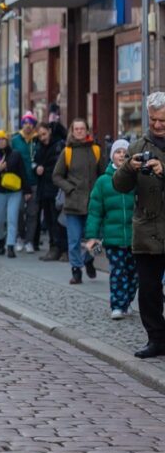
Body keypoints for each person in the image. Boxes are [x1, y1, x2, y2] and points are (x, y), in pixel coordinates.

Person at [112, 92, 165, 358]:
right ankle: (156, 339)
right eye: (154, 120)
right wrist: (128, 168)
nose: (157, 125)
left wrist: (162, 170)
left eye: (163, 121)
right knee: (149, 291)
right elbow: (119, 186)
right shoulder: (138, 146)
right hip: (147, 230)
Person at [84, 139, 136, 320]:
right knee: (118, 272)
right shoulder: (103, 182)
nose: (122, 154)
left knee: (134, 275)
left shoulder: (136, 177)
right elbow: (95, 211)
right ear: (112, 155)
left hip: (135, 237)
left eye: (125, 151)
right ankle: (117, 305)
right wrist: (92, 236)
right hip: (113, 238)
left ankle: (127, 300)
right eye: (118, 151)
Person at [52, 118, 105, 284]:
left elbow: (103, 175)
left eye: (83, 128)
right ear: (72, 131)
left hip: (92, 203)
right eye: (77, 129)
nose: (80, 131)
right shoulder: (67, 152)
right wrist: (70, 188)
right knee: (74, 240)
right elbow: (56, 176)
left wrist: (99, 192)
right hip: (73, 203)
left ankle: (88, 260)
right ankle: (76, 270)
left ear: (87, 131)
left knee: (94, 238)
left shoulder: (96, 150)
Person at [34, 122, 68, 261]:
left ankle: (63, 249)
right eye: (40, 135)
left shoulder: (58, 145)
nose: (42, 137)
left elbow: (59, 167)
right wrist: (36, 168)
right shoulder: (39, 147)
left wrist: (43, 169)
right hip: (44, 189)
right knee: (49, 221)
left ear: (49, 131)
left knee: (59, 221)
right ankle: (54, 247)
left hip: (55, 189)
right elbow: (35, 163)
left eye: (44, 134)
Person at [0, 130, 26, 257]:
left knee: (12, 218)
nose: (1, 142)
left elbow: (22, 172)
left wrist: (27, 190)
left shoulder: (15, 154)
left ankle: (10, 246)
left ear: (7, 140)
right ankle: (1, 240)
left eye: (3, 139)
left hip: (15, 191)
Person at [11, 112, 39, 253]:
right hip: (18, 182)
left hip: (34, 181)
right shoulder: (15, 140)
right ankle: (20, 237)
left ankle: (29, 241)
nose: (28, 126)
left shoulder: (37, 140)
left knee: (32, 213)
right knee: (19, 210)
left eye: (31, 123)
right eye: (26, 123)